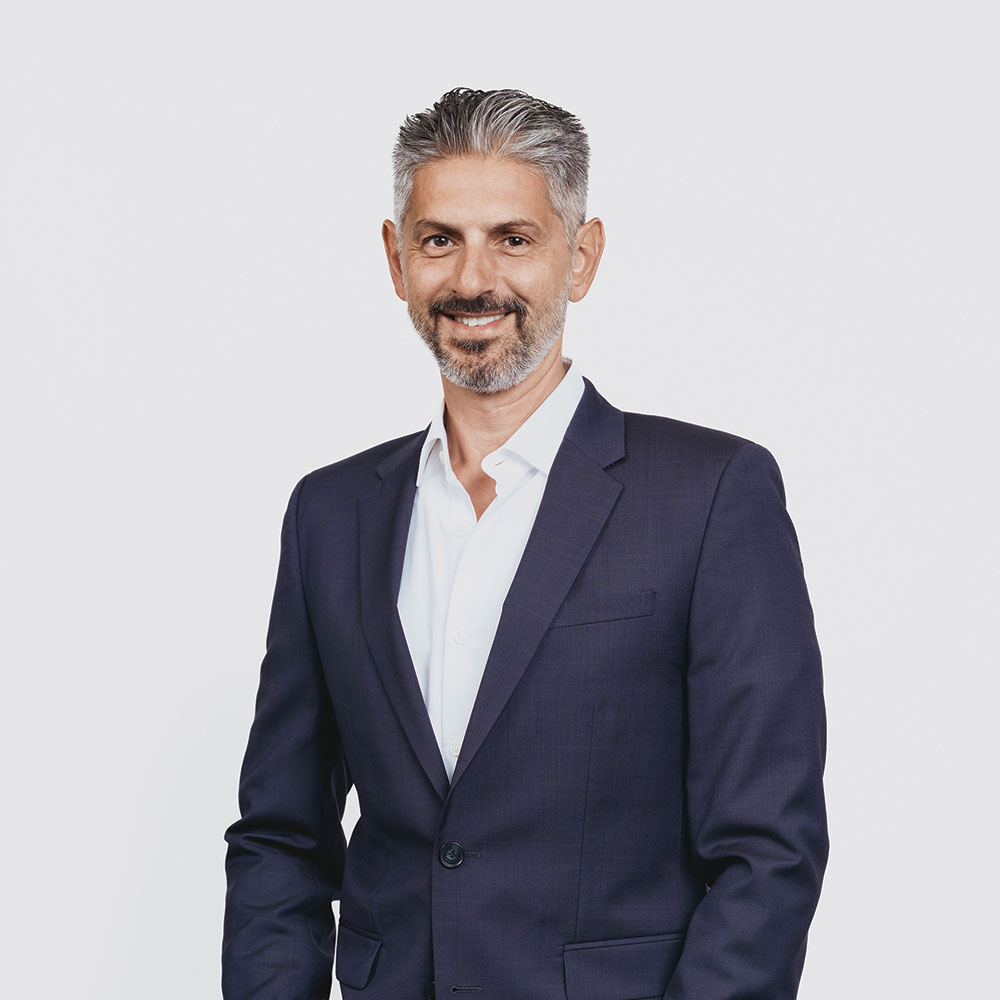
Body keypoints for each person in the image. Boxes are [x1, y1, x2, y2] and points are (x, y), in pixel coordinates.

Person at [222, 87, 828, 1000]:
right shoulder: (331, 514)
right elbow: (280, 834)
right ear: (396, 259)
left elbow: (767, 850)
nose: (474, 280)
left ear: (580, 258)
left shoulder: (710, 496)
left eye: (513, 239)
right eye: (440, 240)